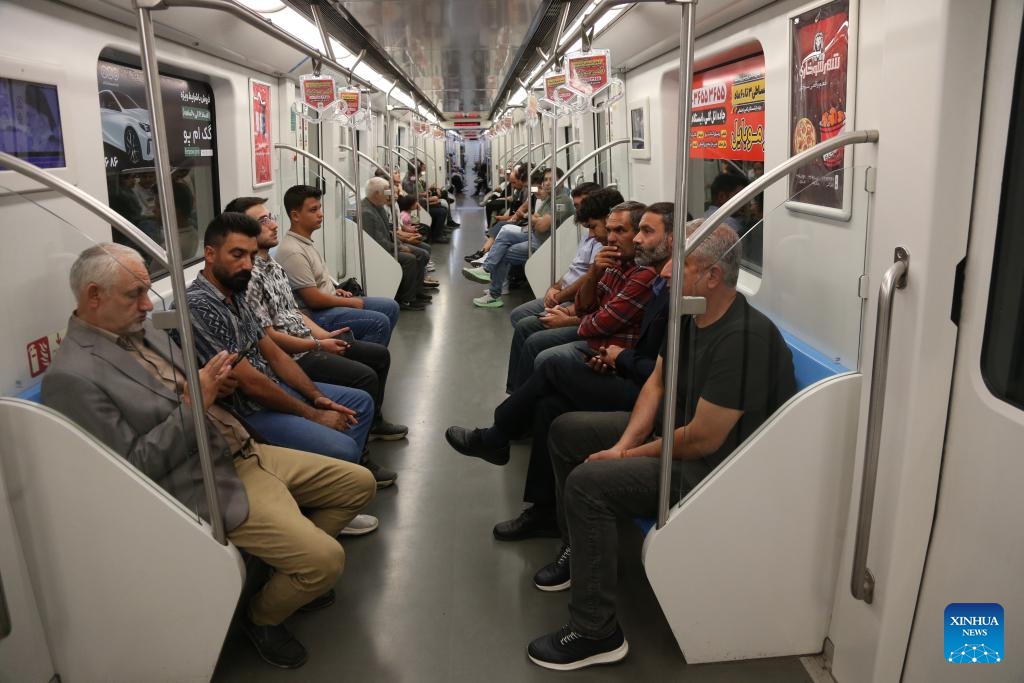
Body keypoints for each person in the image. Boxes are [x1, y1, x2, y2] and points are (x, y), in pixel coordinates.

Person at [41, 243, 377, 669]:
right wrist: (195, 402)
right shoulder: (73, 376)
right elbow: (133, 468)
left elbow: (196, 388)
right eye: (134, 295)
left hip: (241, 447)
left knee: (358, 484)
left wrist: (216, 387)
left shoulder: (143, 332)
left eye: (146, 291)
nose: (148, 304)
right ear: (93, 296)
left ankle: (283, 570)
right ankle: (261, 616)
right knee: (326, 562)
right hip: (202, 479)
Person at [526, 220, 796, 671]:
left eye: (680, 262)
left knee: (590, 483)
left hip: (720, 468)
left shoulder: (743, 338)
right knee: (566, 430)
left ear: (712, 276)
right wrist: (626, 443)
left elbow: (704, 438)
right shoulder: (689, 314)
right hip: (682, 442)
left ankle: (596, 631)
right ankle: (580, 548)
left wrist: (626, 457)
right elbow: (656, 383)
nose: (666, 271)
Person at [445, 206, 675, 541]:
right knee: (548, 405)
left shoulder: (661, 286)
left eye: (644, 232)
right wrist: (594, 277)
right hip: (619, 363)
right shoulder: (635, 271)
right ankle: (544, 511)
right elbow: (587, 306)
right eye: (635, 232)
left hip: (640, 384)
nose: (634, 240)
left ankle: (499, 434)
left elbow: (649, 361)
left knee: (551, 362)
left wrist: (619, 357)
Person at [184, 213, 395, 487]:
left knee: (360, 403)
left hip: (273, 387)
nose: (246, 264)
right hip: (248, 412)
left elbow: (273, 353)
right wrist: (314, 414)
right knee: (343, 446)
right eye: (237, 254)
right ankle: (334, 489)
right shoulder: (199, 305)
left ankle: (342, 482)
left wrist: (317, 397)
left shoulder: (234, 295)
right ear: (210, 254)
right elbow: (250, 383)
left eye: (250, 256)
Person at [224, 195, 408, 444]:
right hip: (295, 352)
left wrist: (324, 336)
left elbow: (295, 311)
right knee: (366, 374)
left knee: (378, 355)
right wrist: (318, 344)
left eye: (271, 218)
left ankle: (370, 422)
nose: (274, 224)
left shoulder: (274, 266)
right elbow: (269, 337)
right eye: (263, 220)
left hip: (307, 337)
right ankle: (361, 443)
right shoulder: (248, 277)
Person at [274, 184, 400, 346]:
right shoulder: (293, 251)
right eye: (313, 210)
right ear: (295, 215)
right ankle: (360, 365)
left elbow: (317, 283)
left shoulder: (304, 242)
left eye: (319, 208)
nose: (321, 214)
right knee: (379, 321)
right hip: (316, 315)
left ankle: (371, 356)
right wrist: (352, 302)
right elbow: (313, 300)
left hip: (327, 302)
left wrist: (334, 290)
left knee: (391, 307)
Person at [464, 167, 574, 308]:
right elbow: (534, 216)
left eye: (551, 179)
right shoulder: (549, 197)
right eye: (545, 179)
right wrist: (535, 219)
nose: (546, 183)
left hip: (545, 244)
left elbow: (540, 225)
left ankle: (493, 290)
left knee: (504, 249)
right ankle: (486, 268)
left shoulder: (562, 201)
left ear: (561, 181)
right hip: (534, 234)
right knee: (504, 231)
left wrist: (534, 219)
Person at [360, 177, 431, 310]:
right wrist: (400, 247)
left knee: (423, 252)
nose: (390, 195)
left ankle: (416, 290)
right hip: (379, 251)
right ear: (377, 194)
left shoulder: (379, 207)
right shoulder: (366, 212)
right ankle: (406, 299)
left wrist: (400, 245)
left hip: (389, 245)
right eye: (387, 192)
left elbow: (389, 232)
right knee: (410, 259)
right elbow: (377, 242)